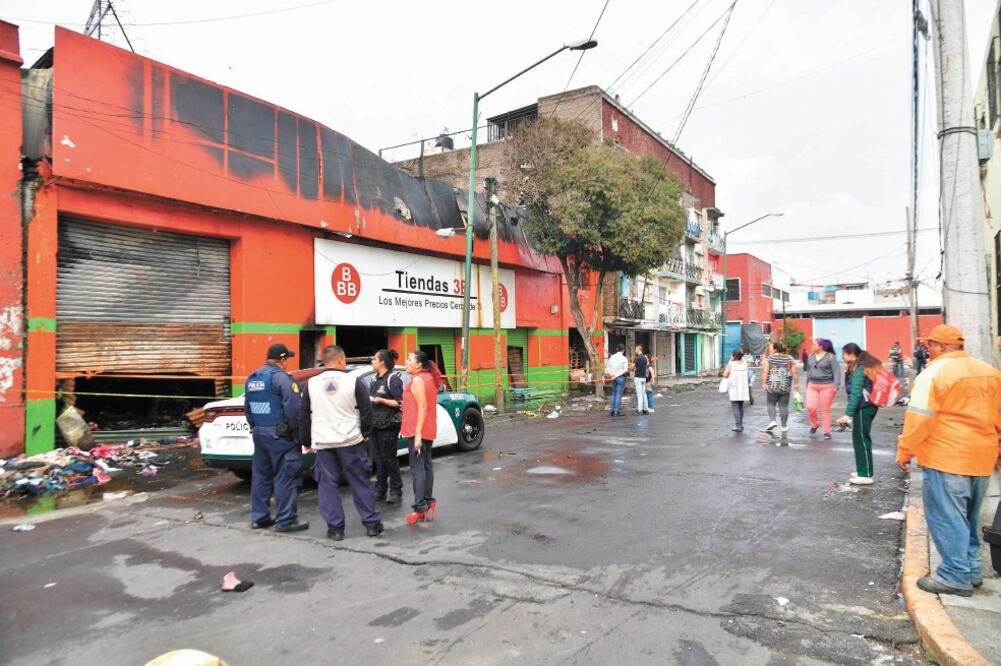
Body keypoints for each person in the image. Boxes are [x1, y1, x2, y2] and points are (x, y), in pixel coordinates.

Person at [897, 324, 1001, 597]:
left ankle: (955, 575)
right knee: (968, 518)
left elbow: (918, 417)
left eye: (930, 345)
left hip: (947, 457)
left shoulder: (933, 373)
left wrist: (905, 450)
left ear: (941, 347)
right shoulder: (990, 372)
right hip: (982, 457)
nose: (926, 350)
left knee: (947, 518)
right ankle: (972, 569)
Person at [299, 345, 383, 540]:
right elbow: (366, 411)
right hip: (351, 441)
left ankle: (335, 529)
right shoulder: (353, 381)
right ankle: (372, 525)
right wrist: (365, 433)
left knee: (327, 485)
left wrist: (306, 441)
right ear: (340, 360)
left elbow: (303, 415)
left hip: (324, 443)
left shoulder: (311, 384)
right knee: (360, 482)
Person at [245, 343, 308, 532]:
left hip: (260, 434)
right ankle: (286, 520)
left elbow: (248, 409)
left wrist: (255, 428)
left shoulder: (253, 378)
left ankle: (260, 518)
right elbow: (293, 409)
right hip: (281, 436)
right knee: (287, 477)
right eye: (287, 358)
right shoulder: (281, 379)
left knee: (261, 477)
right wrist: (298, 434)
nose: (287, 362)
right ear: (282, 360)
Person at [836, 343, 882, 485]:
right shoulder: (859, 365)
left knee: (862, 440)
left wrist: (848, 414)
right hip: (865, 406)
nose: (842, 357)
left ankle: (866, 474)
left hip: (864, 407)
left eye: (844, 354)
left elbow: (856, 393)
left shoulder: (859, 368)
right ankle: (862, 470)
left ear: (850, 354)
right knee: (858, 439)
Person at [369, 349, 404, 504]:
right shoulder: (374, 380)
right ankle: (380, 488)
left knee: (389, 459)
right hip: (375, 426)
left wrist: (381, 400)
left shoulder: (393, 379)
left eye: (374, 359)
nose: (372, 361)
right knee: (379, 459)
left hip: (389, 426)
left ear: (382, 361)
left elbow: (399, 403)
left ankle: (396, 490)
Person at [804, 338, 843, 440]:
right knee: (810, 407)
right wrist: (807, 384)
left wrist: (836, 384)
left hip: (827, 386)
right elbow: (809, 371)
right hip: (812, 386)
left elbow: (837, 371)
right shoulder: (811, 357)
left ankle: (826, 431)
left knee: (825, 409)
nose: (812, 346)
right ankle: (814, 424)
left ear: (821, 346)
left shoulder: (830, 357)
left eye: (814, 344)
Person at [762, 341, 798, 435]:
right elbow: (794, 371)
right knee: (784, 406)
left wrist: (764, 383)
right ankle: (784, 426)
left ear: (776, 349)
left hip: (772, 386)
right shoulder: (789, 358)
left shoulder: (770, 358)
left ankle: (773, 420)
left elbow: (765, 371)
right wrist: (796, 383)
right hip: (785, 386)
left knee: (770, 403)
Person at [722, 349, 751, 432]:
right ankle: (740, 425)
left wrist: (730, 361)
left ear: (733, 356)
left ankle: (738, 425)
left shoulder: (731, 364)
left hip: (734, 388)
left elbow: (725, 374)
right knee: (740, 406)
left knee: (735, 406)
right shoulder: (745, 364)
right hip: (743, 388)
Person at [606, 344, 629, 417]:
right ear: (623, 350)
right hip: (620, 377)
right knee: (619, 394)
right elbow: (625, 370)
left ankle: (612, 410)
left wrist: (612, 374)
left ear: (617, 349)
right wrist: (617, 375)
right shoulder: (624, 358)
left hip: (613, 377)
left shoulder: (612, 357)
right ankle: (617, 411)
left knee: (614, 394)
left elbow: (607, 367)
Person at [632, 345, 650, 415]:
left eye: (636, 349)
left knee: (639, 394)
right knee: (644, 394)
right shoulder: (645, 358)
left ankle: (639, 410)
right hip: (644, 378)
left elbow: (632, 367)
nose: (635, 351)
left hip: (638, 378)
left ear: (638, 349)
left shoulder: (636, 358)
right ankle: (645, 409)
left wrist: (632, 368)